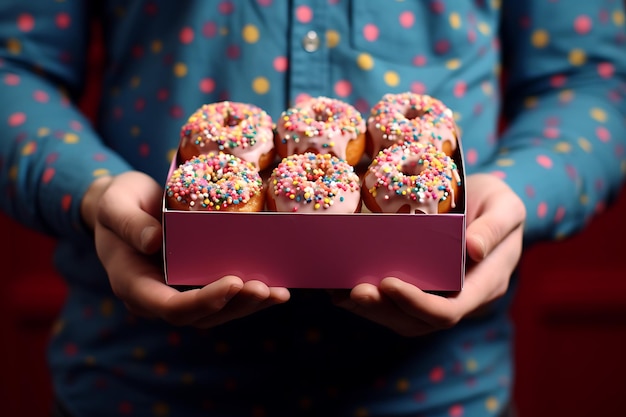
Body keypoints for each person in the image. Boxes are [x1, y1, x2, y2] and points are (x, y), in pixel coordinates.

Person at [1, 1, 625, 416]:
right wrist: (92, 190)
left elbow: (595, 78)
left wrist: (517, 192)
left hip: (438, 394)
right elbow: (10, 62)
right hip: (139, 384)